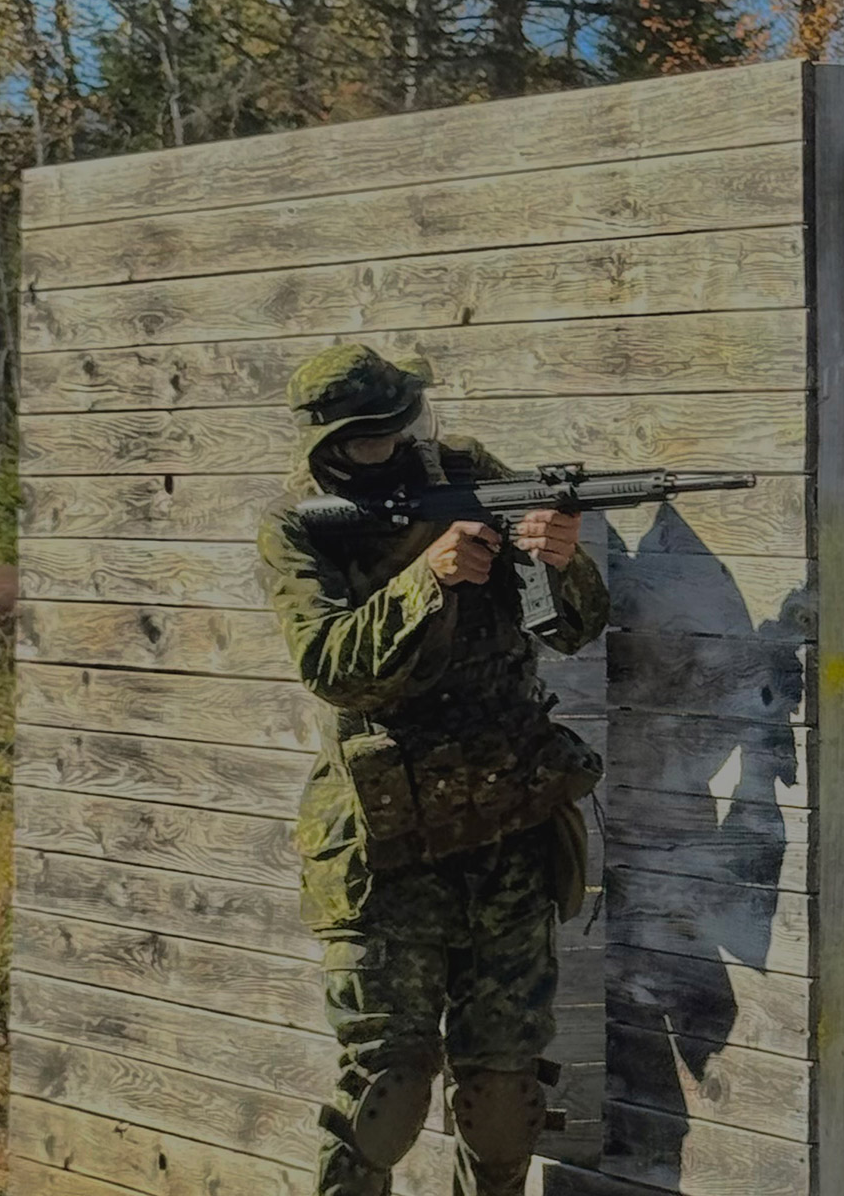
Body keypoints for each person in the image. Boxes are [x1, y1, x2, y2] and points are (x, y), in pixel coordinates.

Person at [256, 344, 611, 1196]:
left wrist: (559, 561)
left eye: (393, 430)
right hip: (388, 845)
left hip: (508, 831)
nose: (384, 448)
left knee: (502, 1091)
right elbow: (333, 666)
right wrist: (427, 580)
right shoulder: (300, 523)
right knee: (387, 1088)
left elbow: (573, 630)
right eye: (361, 439)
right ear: (323, 444)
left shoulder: (472, 477)